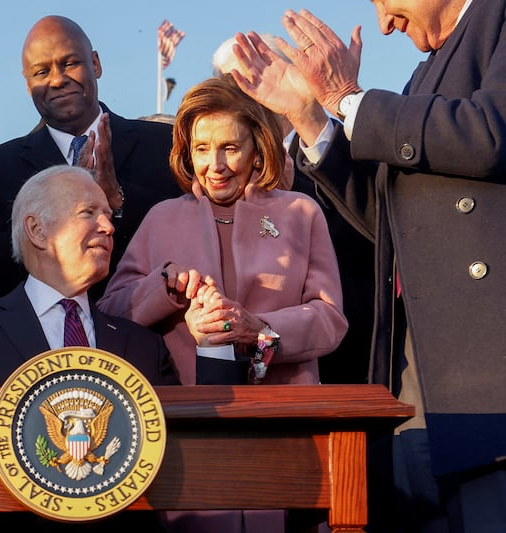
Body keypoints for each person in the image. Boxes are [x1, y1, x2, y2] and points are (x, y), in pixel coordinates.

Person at [230, 4, 506, 532]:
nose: (384, 24)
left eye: (385, 1)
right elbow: (394, 219)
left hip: (489, 379)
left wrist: (348, 99)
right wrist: (312, 117)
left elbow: (491, 133)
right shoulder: (425, 70)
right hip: (417, 379)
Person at [97, 75, 348, 533]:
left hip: (287, 430)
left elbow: (330, 318)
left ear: (258, 148)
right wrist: (165, 289)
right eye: (201, 148)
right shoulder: (161, 218)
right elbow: (111, 311)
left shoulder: (300, 213)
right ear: (186, 153)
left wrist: (258, 328)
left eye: (230, 147)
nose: (215, 165)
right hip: (190, 434)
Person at [0, 164, 178, 531]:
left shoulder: (142, 345)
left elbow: (186, 449)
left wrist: (215, 345)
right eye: (88, 213)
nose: (109, 227)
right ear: (37, 230)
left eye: (109, 217)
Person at [0, 15, 181, 302]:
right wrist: (60, 214)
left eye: (70, 64)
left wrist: (117, 200)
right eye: (41, 72)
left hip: (147, 333)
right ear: (28, 84)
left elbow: (186, 233)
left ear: (96, 64)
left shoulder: (163, 143)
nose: (57, 80)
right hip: (43, 343)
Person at [213, 35, 375, 386]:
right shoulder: (207, 176)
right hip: (228, 388)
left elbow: (368, 229)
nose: (247, 91)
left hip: (345, 372)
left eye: (260, 72)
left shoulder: (349, 153)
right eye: (232, 82)